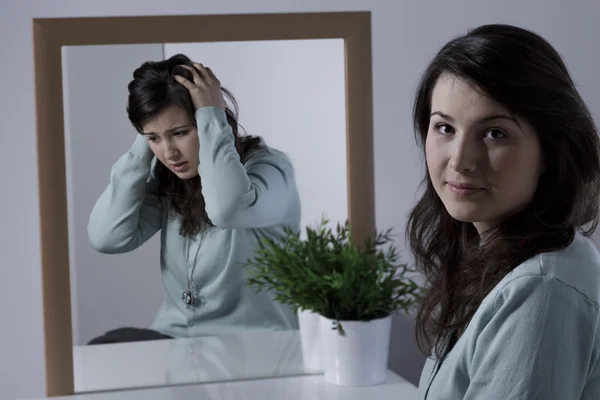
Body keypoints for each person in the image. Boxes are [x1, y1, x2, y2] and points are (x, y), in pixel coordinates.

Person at [407, 24, 600, 399]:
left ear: (550, 149)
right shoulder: (494, 260)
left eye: (495, 133)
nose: (460, 161)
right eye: (444, 128)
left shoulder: (542, 291)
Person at [86, 54, 301, 343]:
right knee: (104, 350)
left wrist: (212, 114)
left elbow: (227, 210)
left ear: (210, 120)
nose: (169, 152)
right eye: (154, 139)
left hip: (254, 349)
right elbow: (107, 237)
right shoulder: (170, 181)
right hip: (177, 345)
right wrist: (147, 137)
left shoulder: (271, 171)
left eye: (180, 133)